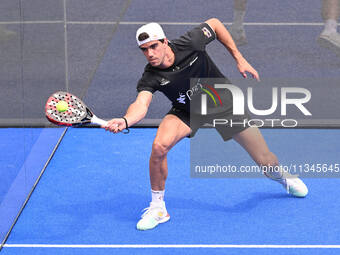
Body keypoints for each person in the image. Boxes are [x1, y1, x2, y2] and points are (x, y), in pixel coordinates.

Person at [104, 18, 308, 231]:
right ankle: (158, 208)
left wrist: (240, 59)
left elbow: (216, 24)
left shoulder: (190, 42)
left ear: (165, 42)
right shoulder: (151, 76)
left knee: (266, 161)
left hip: (223, 103)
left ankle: (282, 176)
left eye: (154, 46)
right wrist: (126, 120)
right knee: (158, 146)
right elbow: (141, 104)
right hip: (189, 111)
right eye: (144, 50)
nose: (150, 54)